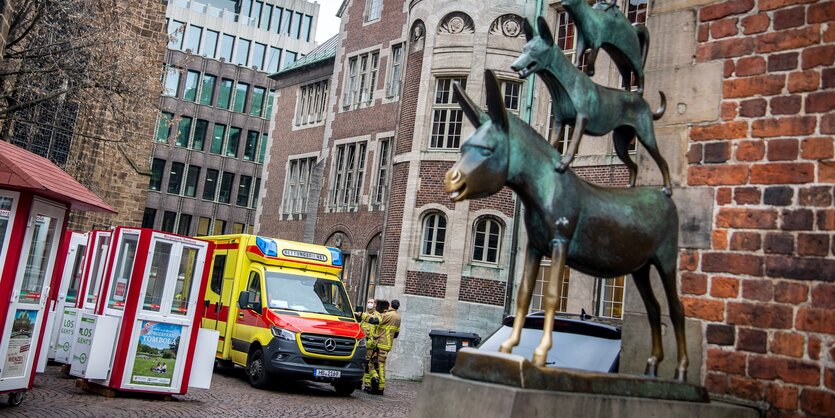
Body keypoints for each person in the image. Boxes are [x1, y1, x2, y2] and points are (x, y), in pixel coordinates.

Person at [368, 299, 400, 395]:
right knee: (378, 364)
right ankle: (377, 385)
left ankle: (379, 385)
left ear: (390, 305)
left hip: (381, 344)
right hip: (386, 345)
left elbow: (375, 321)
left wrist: (362, 315)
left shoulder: (388, 315)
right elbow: (396, 334)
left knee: (377, 364)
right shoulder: (398, 318)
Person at [354, 298, 381, 392]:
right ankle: (359, 383)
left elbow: (376, 324)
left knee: (368, 365)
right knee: (362, 363)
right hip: (362, 344)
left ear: (375, 305)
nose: (369, 304)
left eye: (371, 302)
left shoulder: (377, 316)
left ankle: (368, 385)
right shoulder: (363, 315)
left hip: (371, 345)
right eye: (368, 302)